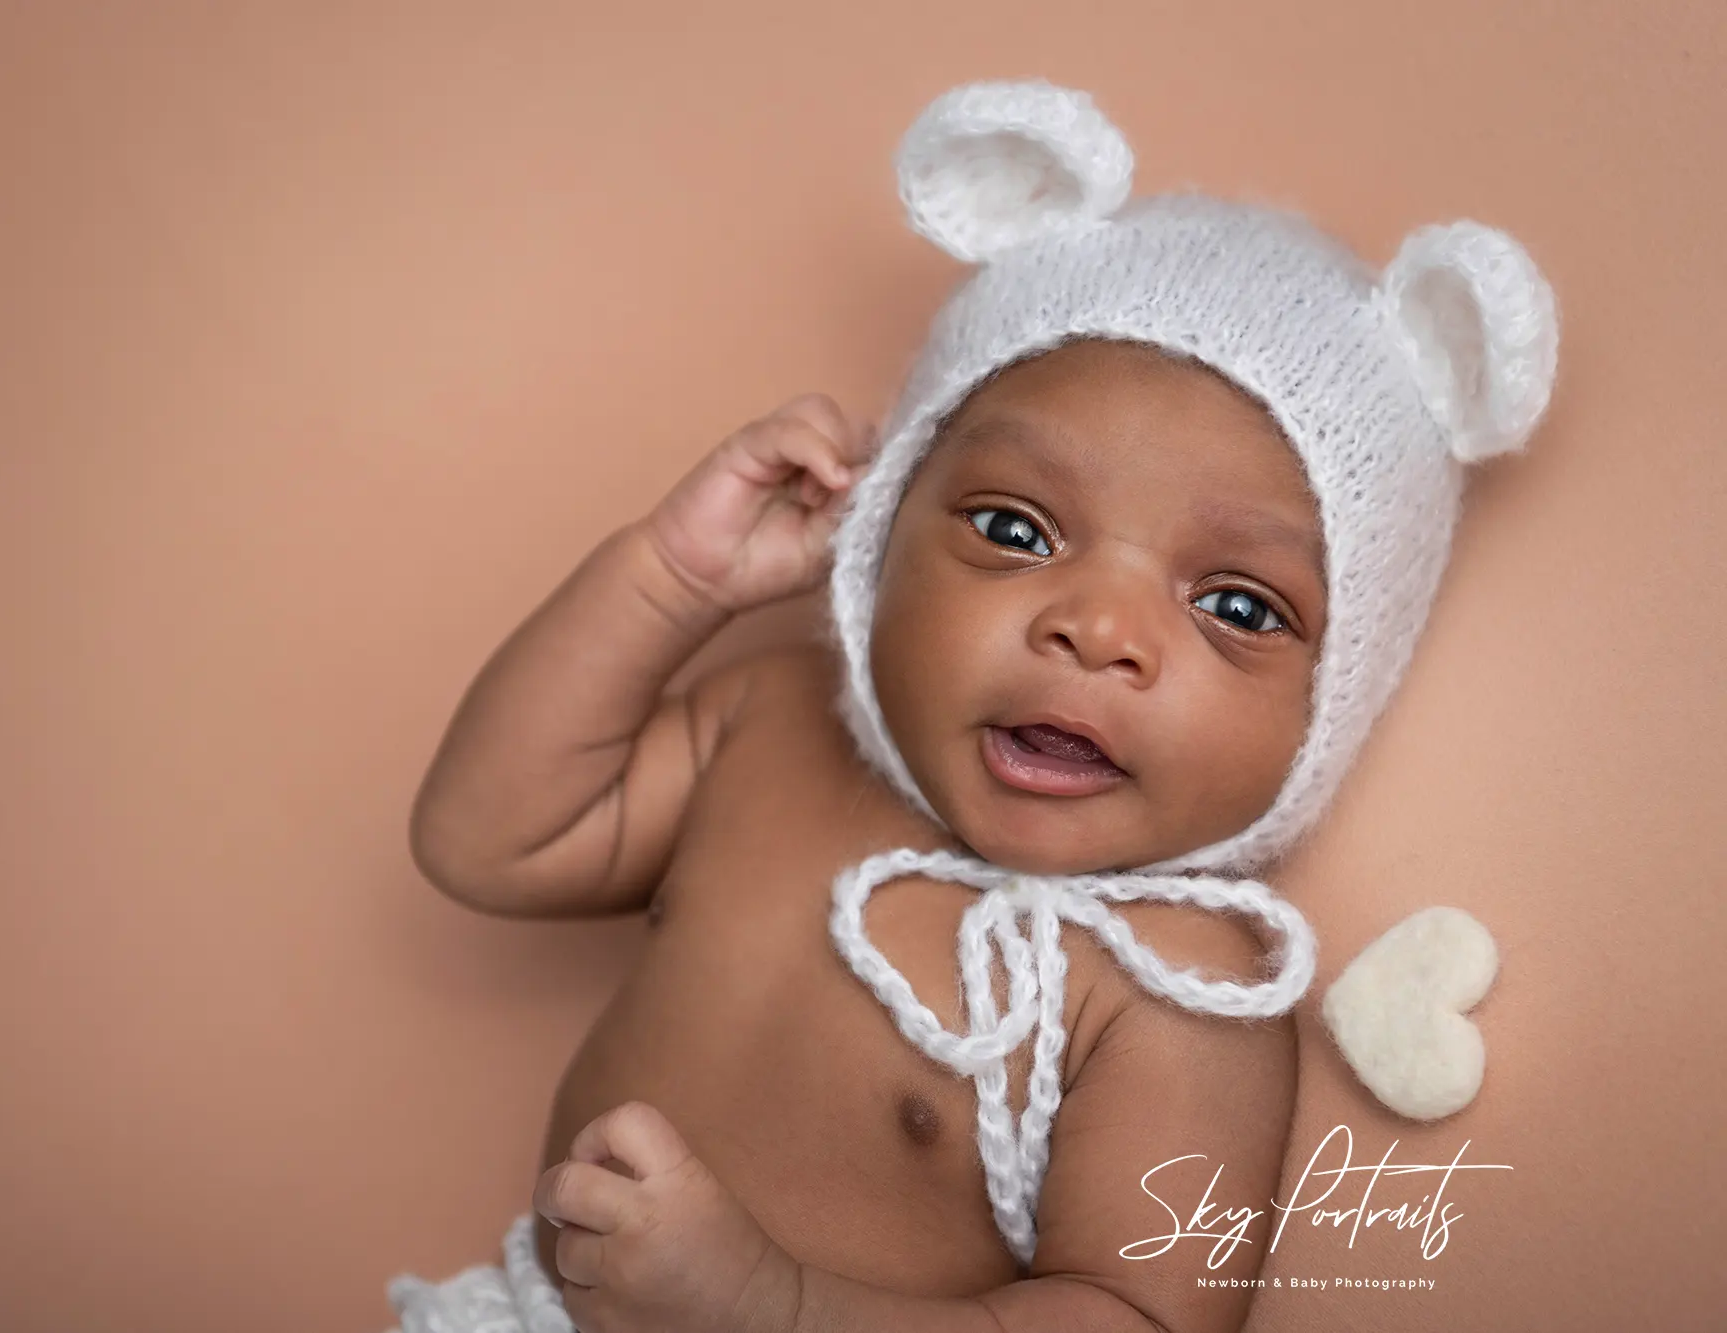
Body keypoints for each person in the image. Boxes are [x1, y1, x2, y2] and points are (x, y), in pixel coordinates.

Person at [392, 79, 1558, 1333]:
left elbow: (1134, 1315)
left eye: (1233, 605)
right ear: (881, 530)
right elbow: (483, 838)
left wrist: (771, 1308)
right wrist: (670, 578)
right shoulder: (766, 729)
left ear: (1331, 706)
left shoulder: (1171, 987)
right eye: (1015, 528)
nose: (1096, 631)